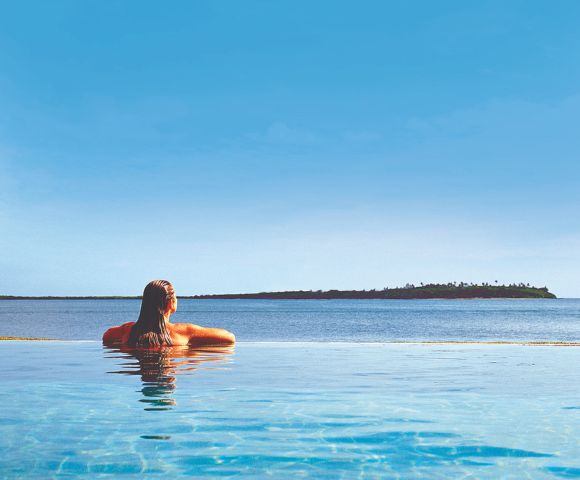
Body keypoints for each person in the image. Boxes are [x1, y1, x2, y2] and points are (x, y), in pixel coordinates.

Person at [102, 280, 235, 347]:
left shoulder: (127, 331)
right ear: (170, 303)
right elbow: (229, 338)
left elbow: (106, 337)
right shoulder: (185, 331)